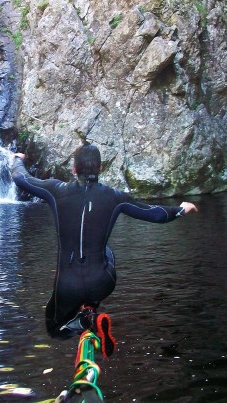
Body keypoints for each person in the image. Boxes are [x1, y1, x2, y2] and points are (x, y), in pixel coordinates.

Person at [10, 143, 197, 357]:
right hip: (103, 282)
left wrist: (17, 158)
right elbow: (154, 214)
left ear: (74, 169)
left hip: (67, 287)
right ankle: (91, 307)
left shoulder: (54, 189)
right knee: (105, 250)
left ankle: (86, 320)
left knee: (55, 328)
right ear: (100, 169)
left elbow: (20, 178)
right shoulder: (115, 197)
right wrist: (181, 210)